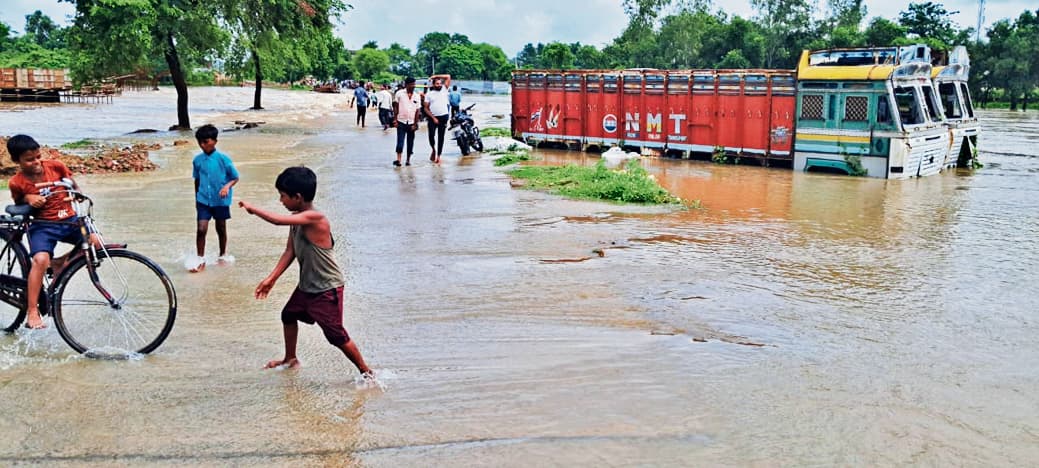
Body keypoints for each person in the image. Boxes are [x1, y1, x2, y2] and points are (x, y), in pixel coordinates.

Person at [238, 166, 373, 379]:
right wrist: (271, 279)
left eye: (283, 196)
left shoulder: (315, 218)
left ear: (298, 197)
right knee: (288, 315)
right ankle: (290, 359)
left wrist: (252, 208)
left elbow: (276, 220)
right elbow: (290, 251)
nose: (281, 200)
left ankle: (367, 373)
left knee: (336, 336)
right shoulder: (297, 219)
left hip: (326, 288)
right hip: (307, 285)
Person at [7, 134, 101, 329]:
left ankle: (59, 263)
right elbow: (19, 201)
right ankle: (32, 311)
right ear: (17, 161)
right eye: (29, 160)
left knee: (96, 242)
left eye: (38, 157)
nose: (36, 162)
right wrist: (29, 198)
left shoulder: (56, 166)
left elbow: (72, 184)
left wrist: (77, 194)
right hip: (43, 225)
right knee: (40, 260)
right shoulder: (17, 181)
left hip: (69, 220)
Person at [191, 124, 239, 272]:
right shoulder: (197, 160)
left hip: (220, 200)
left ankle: (222, 254)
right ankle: (200, 259)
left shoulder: (223, 159)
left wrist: (226, 187)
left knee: (221, 228)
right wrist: (196, 198)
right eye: (200, 142)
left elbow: (235, 177)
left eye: (206, 142)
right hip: (203, 200)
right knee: (201, 229)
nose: (202, 145)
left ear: (215, 141)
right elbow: (197, 180)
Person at [392, 76, 423, 167]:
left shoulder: (417, 96)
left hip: (411, 123)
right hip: (401, 121)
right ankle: (399, 160)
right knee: (400, 142)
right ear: (406, 85)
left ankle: (408, 160)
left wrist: (415, 124)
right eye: (412, 84)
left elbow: (418, 111)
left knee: (410, 143)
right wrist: (395, 119)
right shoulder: (399, 94)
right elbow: (395, 107)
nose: (413, 86)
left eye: (414, 84)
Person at [423, 77, 451, 164]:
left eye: (440, 83)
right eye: (437, 83)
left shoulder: (444, 90)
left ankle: (438, 156)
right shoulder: (429, 94)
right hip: (432, 117)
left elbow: (448, 77)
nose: (439, 85)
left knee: (441, 137)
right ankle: (433, 149)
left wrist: (434, 76)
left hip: (443, 116)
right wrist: (433, 118)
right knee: (431, 135)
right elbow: (425, 108)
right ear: (433, 84)